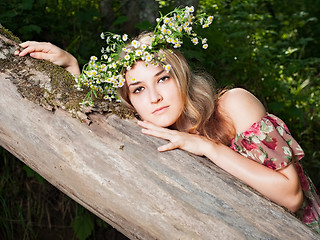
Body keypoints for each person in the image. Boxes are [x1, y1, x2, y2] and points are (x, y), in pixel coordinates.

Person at [14, 7, 320, 234]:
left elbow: (291, 196)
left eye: (163, 79)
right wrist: (71, 67)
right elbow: (96, 117)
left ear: (182, 77)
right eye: (138, 89)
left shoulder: (233, 104)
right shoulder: (152, 127)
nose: (155, 98)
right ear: (130, 99)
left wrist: (206, 146)